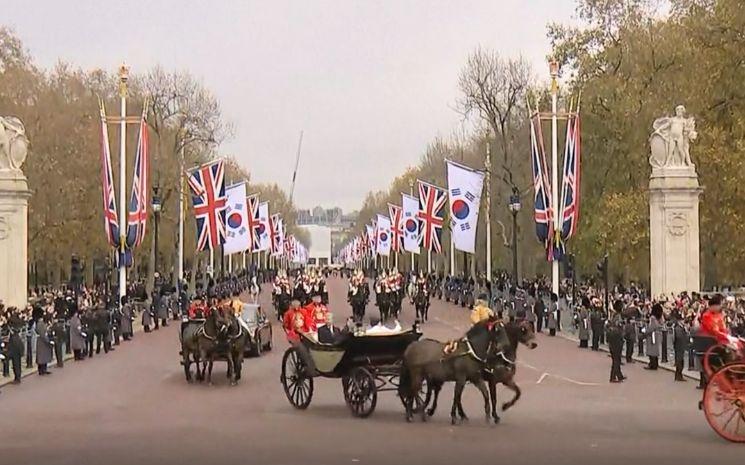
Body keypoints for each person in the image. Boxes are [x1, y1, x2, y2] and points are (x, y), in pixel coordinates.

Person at [606, 312, 625, 383]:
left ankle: (618, 375)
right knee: (616, 360)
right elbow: (620, 331)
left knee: (616, 359)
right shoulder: (618, 319)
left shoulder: (612, 317)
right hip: (616, 341)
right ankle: (613, 377)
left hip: (612, 341)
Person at [645, 303, 663, 370]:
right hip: (658, 335)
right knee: (656, 350)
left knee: (651, 350)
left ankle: (652, 364)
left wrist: (646, 332)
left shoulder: (652, 318)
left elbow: (651, 327)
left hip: (652, 335)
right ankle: (655, 364)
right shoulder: (659, 317)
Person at [671, 311, 689, 382]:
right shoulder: (678, 328)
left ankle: (679, 375)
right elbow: (679, 337)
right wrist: (686, 332)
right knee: (679, 361)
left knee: (681, 361)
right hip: (679, 346)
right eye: (682, 320)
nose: (683, 321)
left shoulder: (681, 328)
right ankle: (678, 375)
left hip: (680, 346)